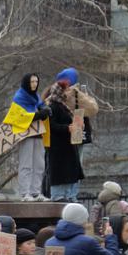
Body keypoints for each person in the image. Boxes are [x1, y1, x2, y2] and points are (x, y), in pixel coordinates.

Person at [5, 74, 50, 202]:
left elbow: (40, 105)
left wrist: (45, 109)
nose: (35, 84)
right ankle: (25, 192)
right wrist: (38, 115)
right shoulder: (19, 97)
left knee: (39, 164)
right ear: (26, 83)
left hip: (38, 133)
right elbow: (19, 117)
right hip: (26, 134)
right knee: (26, 164)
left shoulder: (35, 96)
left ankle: (36, 192)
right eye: (32, 82)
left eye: (36, 81)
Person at [46, 72, 83, 202]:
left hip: (66, 146)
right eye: (66, 90)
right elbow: (51, 125)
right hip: (58, 147)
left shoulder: (63, 106)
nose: (68, 93)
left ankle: (67, 194)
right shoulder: (53, 106)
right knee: (60, 173)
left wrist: (77, 125)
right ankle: (58, 195)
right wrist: (67, 128)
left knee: (68, 172)